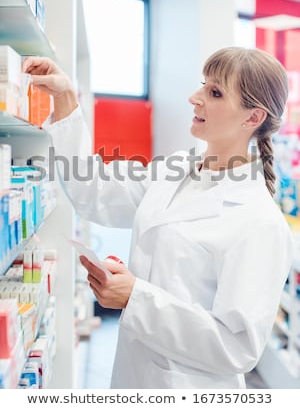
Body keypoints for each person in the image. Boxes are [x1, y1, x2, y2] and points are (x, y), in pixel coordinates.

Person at [23, 47, 294, 389]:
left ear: (252, 118)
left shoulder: (259, 221)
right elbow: (94, 191)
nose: (194, 98)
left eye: (214, 93)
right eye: (203, 85)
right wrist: (64, 100)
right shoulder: (175, 171)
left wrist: (135, 298)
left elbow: (237, 347)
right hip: (135, 376)